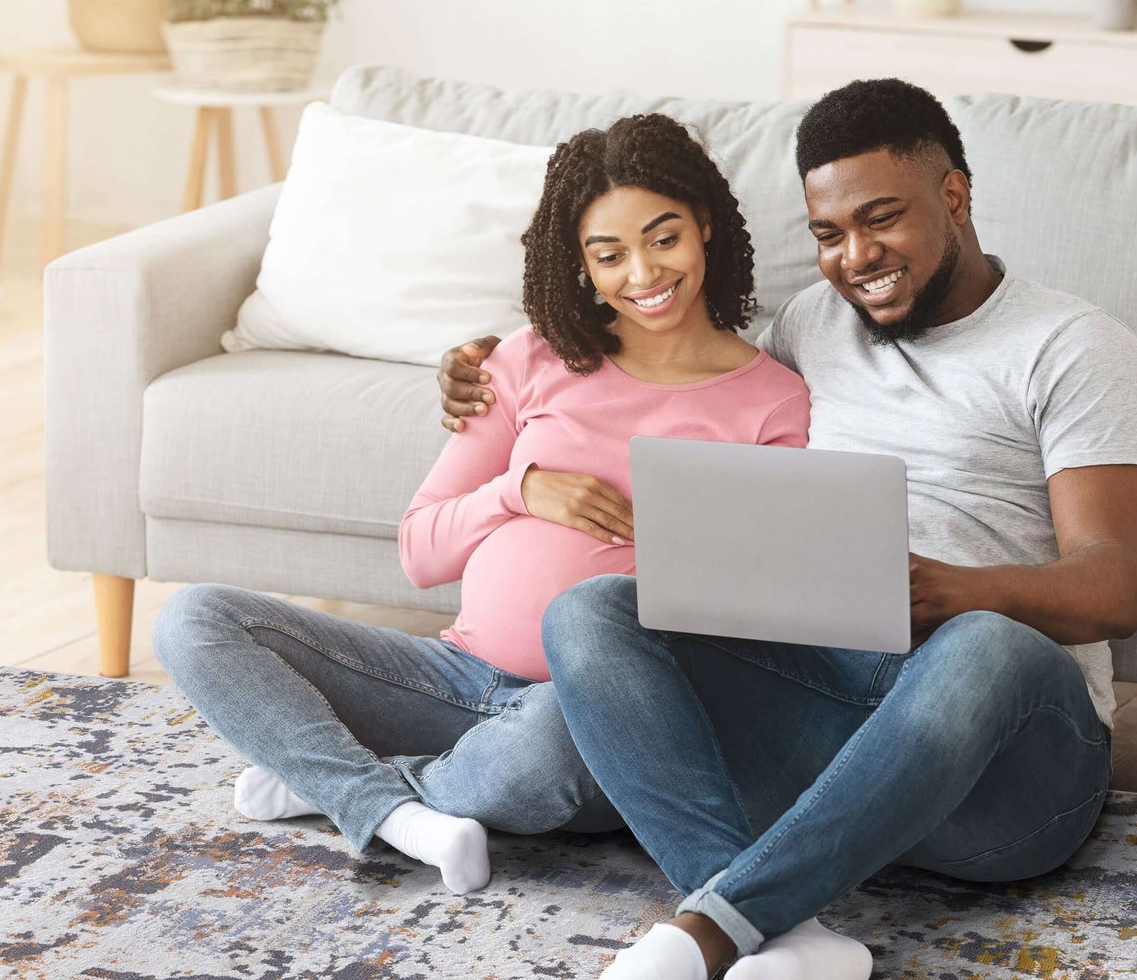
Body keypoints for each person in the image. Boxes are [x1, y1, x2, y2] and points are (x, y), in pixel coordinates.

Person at [436, 78, 1137, 980]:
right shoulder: (812, 326)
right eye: (828, 233)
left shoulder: (1072, 346)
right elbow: (667, 371)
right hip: (837, 717)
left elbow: (1113, 585)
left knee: (985, 644)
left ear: (953, 195)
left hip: (1007, 768)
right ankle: (790, 937)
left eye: (880, 219)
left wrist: (951, 592)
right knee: (595, 611)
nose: (855, 256)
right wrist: (488, 367)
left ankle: (704, 933)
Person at [152, 112, 810, 898]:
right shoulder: (531, 358)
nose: (642, 273)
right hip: (451, 676)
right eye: (609, 254)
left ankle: (350, 785)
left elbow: (761, 612)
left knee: (560, 736)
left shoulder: (772, 403)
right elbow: (419, 551)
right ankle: (395, 802)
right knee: (196, 618)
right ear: (581, 263)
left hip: (589, 718)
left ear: (703, 223)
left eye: (663, 238)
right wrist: (521, 489)